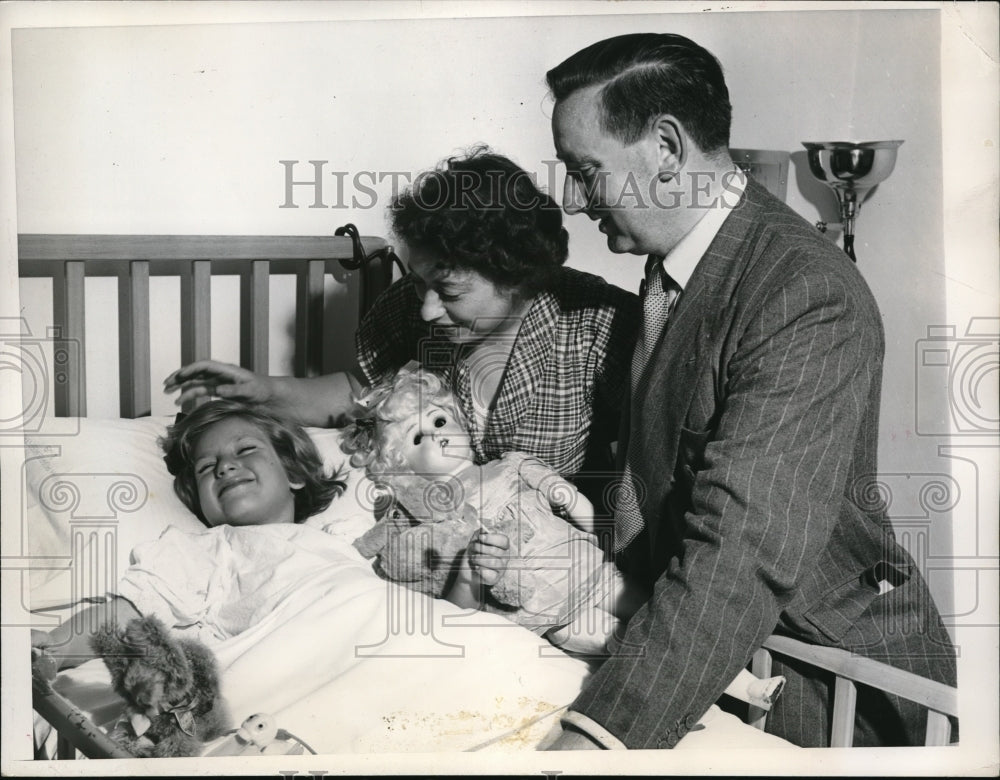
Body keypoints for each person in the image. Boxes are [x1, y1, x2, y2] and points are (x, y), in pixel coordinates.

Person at [541, 33, 957, 750]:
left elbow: (739, 550)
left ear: (666, 148)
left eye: (586, 172)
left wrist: (596, 739)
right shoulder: (680, 270)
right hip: (719, 648)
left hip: (827, 682)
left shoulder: (804, 293)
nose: (575, 203)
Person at [163, 149, 638, 490]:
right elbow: (362, 392)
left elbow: (652, 465)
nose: (427, 309)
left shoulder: (596, 328)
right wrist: (264, 391)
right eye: (417, 284)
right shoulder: (408, 311)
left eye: (449, 292)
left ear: (519, 275)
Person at [343, 364, 785, 710]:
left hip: (594, 570)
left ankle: (748, 686)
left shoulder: (510, 464)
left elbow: (570, 501)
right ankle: (703, 706)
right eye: (418, 436)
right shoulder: (437, 522)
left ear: (459, 420)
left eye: (439, 420)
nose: (437, 436)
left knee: (667, 619)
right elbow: (450, 602)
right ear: (402, 464)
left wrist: (577, 506)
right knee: (628, 645)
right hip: (552, 616)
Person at [31, 400, 347, 668]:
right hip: (300, 656)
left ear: (293, 473)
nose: (225, 467)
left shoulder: (337, 538)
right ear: (200, 503)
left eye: (246, 449)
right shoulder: (211, 551)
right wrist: (56, 648)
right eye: (206, 468)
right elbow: (130, 611)